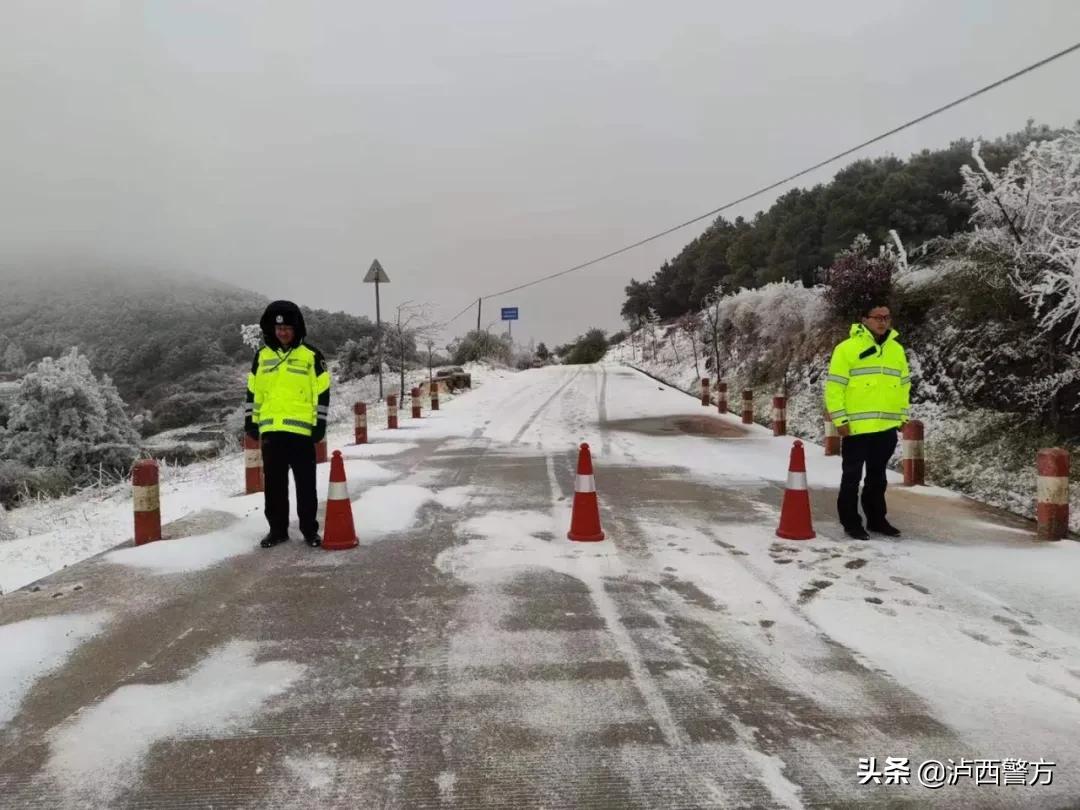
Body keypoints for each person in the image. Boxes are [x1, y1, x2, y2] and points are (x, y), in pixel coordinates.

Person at [244, 300, 330, 548]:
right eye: (277, 328)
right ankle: (277, 530)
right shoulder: (261, 356)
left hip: (301, 432)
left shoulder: (311, 356)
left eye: (287, 328)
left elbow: (322, 392)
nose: (282, 332)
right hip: (271, 432)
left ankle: (309, 530)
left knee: (306, 485)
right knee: (274, 486)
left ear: (296, 329)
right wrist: (251, 421)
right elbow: (253, 392)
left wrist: (319, 424)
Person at [824, 301, 911, 540]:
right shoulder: (846, 349)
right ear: (864, 320)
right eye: (878, 317)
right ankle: (851, 523)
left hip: (885, 428)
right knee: (851, 477)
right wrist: (840, 419)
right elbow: (835, 388)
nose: (883, 321)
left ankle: (877, 519)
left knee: (878, 477)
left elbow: (904, 385)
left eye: (887, 317)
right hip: (856, 428)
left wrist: (902, 416)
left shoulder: (896, 350)